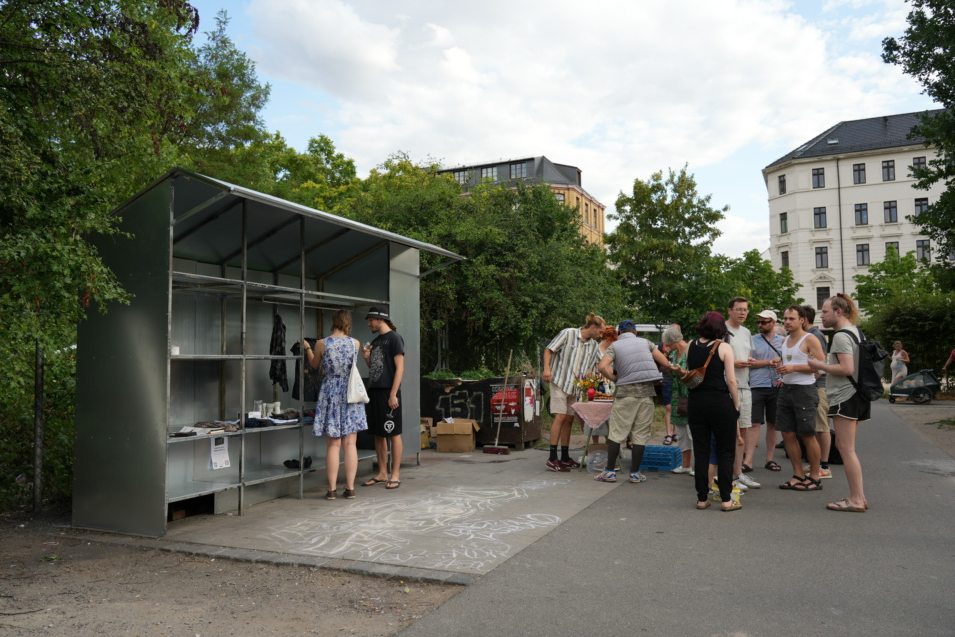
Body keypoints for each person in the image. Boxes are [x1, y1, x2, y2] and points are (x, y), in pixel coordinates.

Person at [595, 321, 679, 483]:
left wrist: (614, 378)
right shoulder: (646, 343)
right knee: (640, 435)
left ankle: (610, 472)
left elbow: (602, 366)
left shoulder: (615, 346)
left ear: (619, 333)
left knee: (617, 432)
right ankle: (635, 473)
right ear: (635, 332)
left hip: (625, 394)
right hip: (647, 395)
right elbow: (665, 363)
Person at [808, 293, 870, 512]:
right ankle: (859, 496)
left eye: (824, 311)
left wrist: (819, 364)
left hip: (846, 396)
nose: (821, 316)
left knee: (845, 449)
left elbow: (846, 369)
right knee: (848, 448)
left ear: (838, 312)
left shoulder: (841, 336)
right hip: (857, 395)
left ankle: (855, 499)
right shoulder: (856, 331)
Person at [303, 310, 368, 500]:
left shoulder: (322, 343)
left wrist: (308, 348)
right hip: (350, 392)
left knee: (333, 444)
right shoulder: (355, 343)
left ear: (333, 322)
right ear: (348, 323)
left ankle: (331, 490)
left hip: (331, 391)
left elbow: (314, 366)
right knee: (350, 443)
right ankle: (350, 488)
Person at [686, 311, 742, 511]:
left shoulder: (690, 346)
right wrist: (736, 406)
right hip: (719, 402)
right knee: (725, 451)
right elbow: (732, 380)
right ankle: (726, 500)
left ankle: (702, 498)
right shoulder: (724, 347)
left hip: (696, 402)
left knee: (701, 451)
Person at [542, 313, 606, 471]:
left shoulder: (592, 345)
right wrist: (547, 369)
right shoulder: (568, 333)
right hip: (559, 380)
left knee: (569, 419)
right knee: (560, 416)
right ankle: (552, 458)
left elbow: (602, 362)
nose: (601, 335)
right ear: (593, 327)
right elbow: (549, 350)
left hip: (576, 386)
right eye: (600, 332)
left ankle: (564, 456)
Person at [775, 305, 826, 492]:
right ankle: (798, 475)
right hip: (786, 389)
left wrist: (794, 368)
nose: (787, 322)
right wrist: (780, 366)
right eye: (785, 318)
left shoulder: (810, 338)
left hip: (804, 391)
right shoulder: (786, 339)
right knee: (787, 433)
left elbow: (821, 366)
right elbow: (789, 362)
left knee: (807, 434)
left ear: (802, 320)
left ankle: (815, 476)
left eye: (791, 319)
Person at [360, 307, 405, 490]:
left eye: (370, 320)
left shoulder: (395, 338)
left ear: (380, 319)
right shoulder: (377, 341)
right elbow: (376, 368)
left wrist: (393, 393)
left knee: (393, 433)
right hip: (375, 391)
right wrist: (366, 358)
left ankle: (395, 474)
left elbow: (400, 368)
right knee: (378, 434)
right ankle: (382, 473)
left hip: (388, 391)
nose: (369, 324)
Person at [725, 297, 760, 490]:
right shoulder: (722, 330)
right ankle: (727, 474)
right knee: (731, 430)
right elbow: (718, 359)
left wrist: (749, 361)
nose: (742, 313)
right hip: (729, 386)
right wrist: (733, 363)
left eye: (745, 310)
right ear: (729, 310)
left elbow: (746, 355)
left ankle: (738, 473)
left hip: (745, 385)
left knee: (744, 430)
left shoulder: (747, 332)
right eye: (738, 309)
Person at [747, 310, 783, 473]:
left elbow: (788, 363)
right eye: (759, 322)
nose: (760, 325)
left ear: (773, 322)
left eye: (764, 322)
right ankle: (748, 461)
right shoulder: (753, 340)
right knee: (754, 423)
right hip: (757, 385)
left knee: (773, 424)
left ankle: (770, 459)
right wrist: (767, 362)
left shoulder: (783, 341)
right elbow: (749, 363)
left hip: (776, 386)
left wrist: (783, 378)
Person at [803, 305, 832, 479]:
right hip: (815, 385)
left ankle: (825, 466)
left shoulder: (815, 335)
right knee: (817, 426)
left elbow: (822, 362)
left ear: (803, 319)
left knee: (823, 426)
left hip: (820, 385)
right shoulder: (811, 335)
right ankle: (818, 463)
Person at [663, 326, 693, 475]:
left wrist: (680, 371)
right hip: (677, 395)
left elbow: (697, 374)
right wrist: (668, 368)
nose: (667, 346)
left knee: (693, 432)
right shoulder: (674, 353)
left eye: (668, 343)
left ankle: (699, 465)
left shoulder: (691, 351)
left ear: (674, 340)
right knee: (681, 433)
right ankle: (686, 465)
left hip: (691, 395)